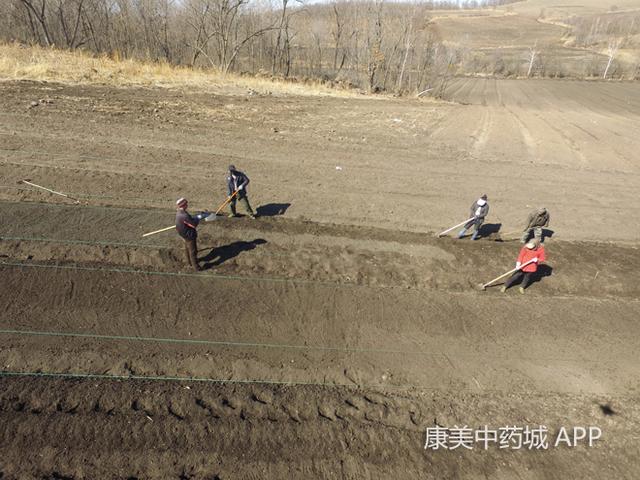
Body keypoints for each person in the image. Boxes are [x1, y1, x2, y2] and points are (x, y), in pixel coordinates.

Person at [175, 197, 202, 271]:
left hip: (182, 234)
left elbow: (187, 221)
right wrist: (198, 218)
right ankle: (196, 267)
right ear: (183, 205)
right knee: (193, 251)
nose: (187, 205)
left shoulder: (178, 213)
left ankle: (189, 262)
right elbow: (193, 225)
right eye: (186, 203)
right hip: (189, 235)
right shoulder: (185, 215)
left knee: (186, 249)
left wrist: (192, 218)